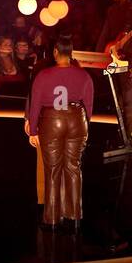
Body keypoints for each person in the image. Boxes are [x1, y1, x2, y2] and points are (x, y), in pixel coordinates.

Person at [27, 35, 94, 232]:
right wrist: (85, 125)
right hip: (76, 119)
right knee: (73, 167)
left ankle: (52, 218)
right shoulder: (83, 75)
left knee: (53, 169)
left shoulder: (44, 75)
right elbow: (88, 105)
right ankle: (74, 216)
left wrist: (32, 129)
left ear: (55, 52)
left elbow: (35, 104)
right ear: (71, 53)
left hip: (51, 121)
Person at [96, 0, 132, 141]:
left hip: (130, 59)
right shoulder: (111, 10)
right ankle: (119, 132)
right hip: (113, 57)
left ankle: (128, 136)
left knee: (127, 100)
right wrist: (98, 56)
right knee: (115, 98)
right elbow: (105, 33)